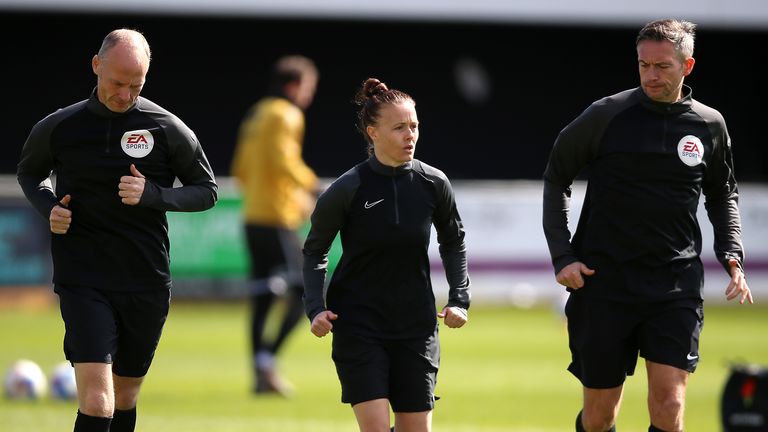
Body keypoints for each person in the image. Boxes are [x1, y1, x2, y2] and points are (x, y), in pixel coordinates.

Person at [542, 19, 753, 432]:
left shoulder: (709, 125)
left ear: (687, 66)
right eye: (643, 66)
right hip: (604, 283)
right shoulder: (606, 115)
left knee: (670, 407)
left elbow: (723, 193)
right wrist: (563, 256)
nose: (651, 75)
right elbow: (556, 176)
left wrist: (732, 254)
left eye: (662, 66)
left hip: (674, 286)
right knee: (601, 416)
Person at [16, 29, 217, 432]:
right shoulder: (60, 127)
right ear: (97, 66)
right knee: (97, 401)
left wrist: (155, 194)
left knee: (124, 398)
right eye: (117, 83)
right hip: (83, 277)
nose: (125, 94)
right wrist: (48, 207)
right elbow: (30, 173)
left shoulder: (166, 128)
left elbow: (206, 191)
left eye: (136, 85)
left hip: (145, 281)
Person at [302, 77, 471, 432]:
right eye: (399, 128)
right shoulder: (347, 188)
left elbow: (453, 240)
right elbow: (315, 249)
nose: (410, 135)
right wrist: (315, 308)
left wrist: (460, 299)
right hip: (359, 326)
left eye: (414, 126)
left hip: (416, 326)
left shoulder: (433, 183)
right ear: (373, 132)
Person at [230, 55, 319, 396]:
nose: (308, 96)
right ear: (294, 85)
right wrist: (312, 187)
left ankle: (259, 373)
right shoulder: (287, 114)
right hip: (278, 218)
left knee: (262, 296)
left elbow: (240, 168)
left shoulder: (256, 113)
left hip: (252, 215)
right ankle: (267, 361)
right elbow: (285, 161)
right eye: (309, 87)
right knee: (305, 292)